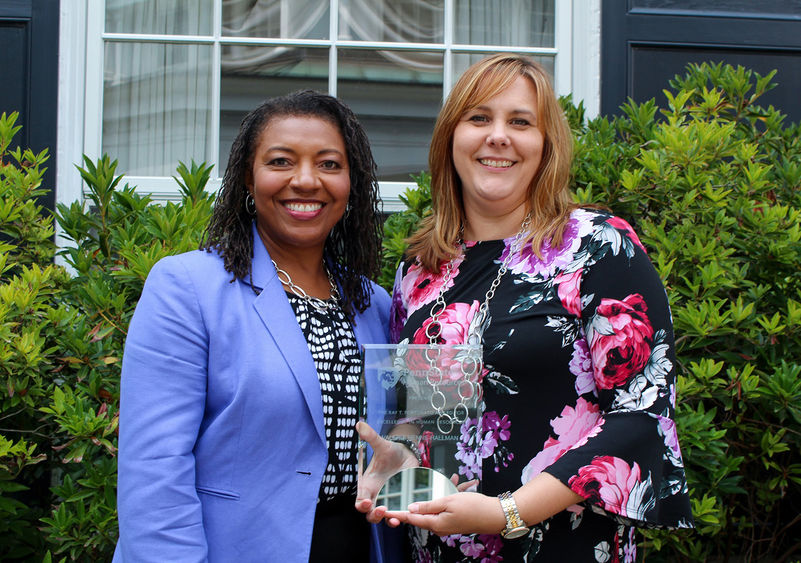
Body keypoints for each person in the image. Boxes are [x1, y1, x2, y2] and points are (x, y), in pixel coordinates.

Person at [358, 54, 693, 561]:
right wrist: (400, 454)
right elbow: (431, 412)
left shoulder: (599, 248)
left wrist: (506, 513)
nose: (498, 136)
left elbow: (641, 414)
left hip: (566, 545)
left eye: (520, 121)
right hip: (439, 546)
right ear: (451, 139)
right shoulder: (422, 267)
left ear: (546, 146)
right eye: (479, 118)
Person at [114, 90, 392, 562]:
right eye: (281, 161)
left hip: (359, 546)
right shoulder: (187, 288)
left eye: (329, 164)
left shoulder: (374, 303)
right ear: (248, 176)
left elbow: (402, 438)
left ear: (351, 182)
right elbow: (155, 470)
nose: (306, 181)